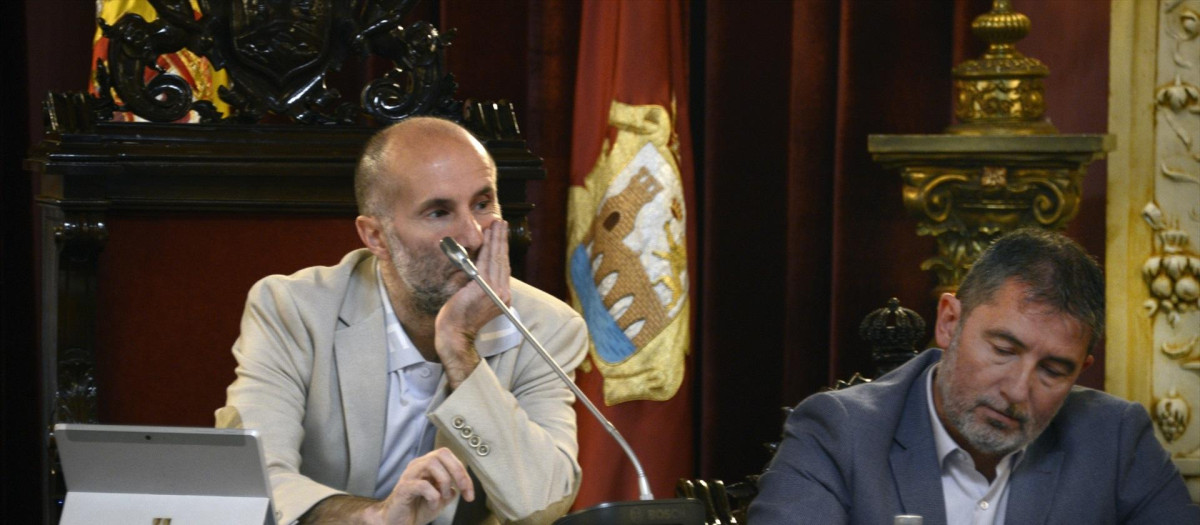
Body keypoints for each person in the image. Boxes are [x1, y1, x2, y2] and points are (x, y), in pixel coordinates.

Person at [215, 117, 588, 525]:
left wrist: (460, 350)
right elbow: (253, 481)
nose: (474, 236)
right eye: (439, 212)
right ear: (375, 236)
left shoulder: (546, 327)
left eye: (482, 204)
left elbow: (543, 505)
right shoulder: (293, 309)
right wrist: (376, 517)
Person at [749, 229, 1199, 524]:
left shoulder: (1116, 439)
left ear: (1082, 371)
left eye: (1053, 370)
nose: (1017, 391)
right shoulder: (839, 434)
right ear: (949, 322)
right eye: (1003, 350)